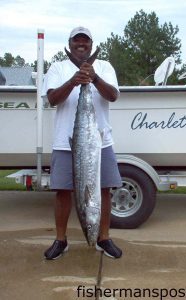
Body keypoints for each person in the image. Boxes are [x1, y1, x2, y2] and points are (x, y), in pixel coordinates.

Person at [42, 26, 122, 260]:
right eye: (76, 41)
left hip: (100, 142)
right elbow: (52, 99)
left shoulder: (104, 66)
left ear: (90, 44)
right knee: (62, 192)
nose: (81, 45)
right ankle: (61, 239)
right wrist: (73, 81)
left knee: (104, 190)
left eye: (85, 41)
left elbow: (113, 96)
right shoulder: (58, 67)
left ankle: (103, 238)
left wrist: (94, 78)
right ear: (70, 44)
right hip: (65, 143)